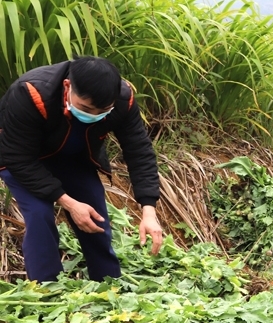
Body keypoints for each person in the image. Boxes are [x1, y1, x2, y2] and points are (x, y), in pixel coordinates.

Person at [0, 56, 163, 282]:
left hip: (73, 158)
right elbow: (18, 157)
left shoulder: (123, 99)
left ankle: (108, 284)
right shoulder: (31, 92)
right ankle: (47, 290)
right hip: (23, 159)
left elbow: (139, 151)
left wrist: (149, 211)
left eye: (102, 110)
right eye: (86, 108)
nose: (94, 116)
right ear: (67, 86)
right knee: (39, 214)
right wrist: (69, 202)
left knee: (95, 213)